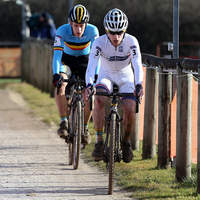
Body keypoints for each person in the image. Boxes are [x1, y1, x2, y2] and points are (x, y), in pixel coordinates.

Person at [85, 8, 144, 163]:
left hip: (126, 77)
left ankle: (125, 140)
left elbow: (137, 65)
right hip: (106, 75)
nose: (116, 37)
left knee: (130, 108)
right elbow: (91, 65)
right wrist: (89, 84)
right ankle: (99, 140)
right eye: (112, 32)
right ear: (106, 30)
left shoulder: (132, 41)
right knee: (98, 99)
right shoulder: (99, 42)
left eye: (120, 32)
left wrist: (139, 85)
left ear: (125, 30)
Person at [52, 4, 99, 146]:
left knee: (90, 93)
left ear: (87, 24)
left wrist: (95, 75)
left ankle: (84, 127)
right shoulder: (62, 30)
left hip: (86, 62)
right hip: (67, 61)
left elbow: (97, 57)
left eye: (82, 25)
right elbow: (57, 56)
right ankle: (63, 121)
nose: (79, 30)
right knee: (61, 85)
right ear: (70, 23)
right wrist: (56, 74)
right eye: (75, 25)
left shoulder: (93, 31)